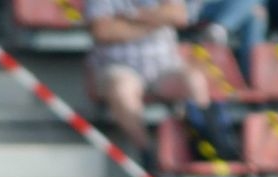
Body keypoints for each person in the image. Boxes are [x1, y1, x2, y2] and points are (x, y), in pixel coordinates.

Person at [84, 0, 215, 162]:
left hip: (164, 67)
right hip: (119, 66)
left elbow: (179, 15)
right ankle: (147, 150)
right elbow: (103, 31)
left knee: (194, 80)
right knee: (122, 89)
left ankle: (203, 144)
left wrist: (131, 17)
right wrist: (155, 20)